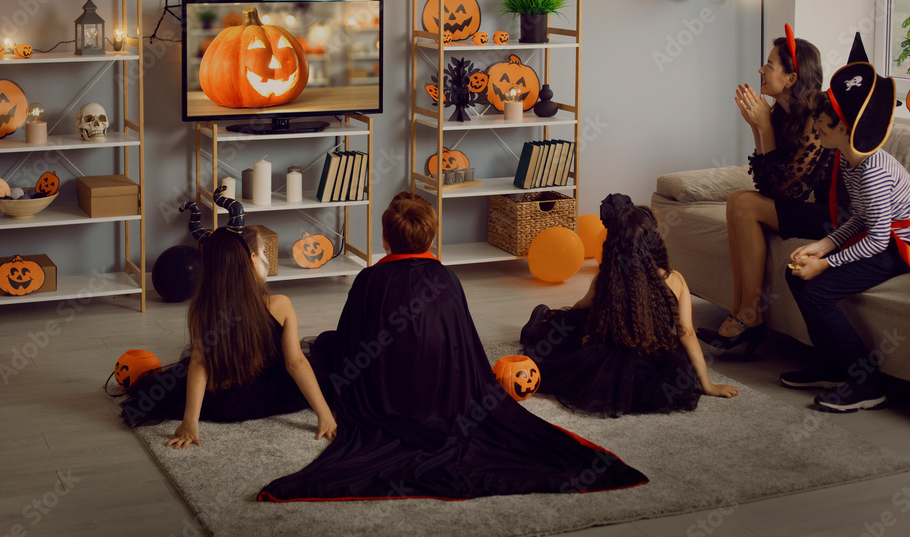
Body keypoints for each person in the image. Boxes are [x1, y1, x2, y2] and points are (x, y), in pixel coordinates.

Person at [259, 192, 647, 501]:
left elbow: (352, 342)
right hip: (440, 382)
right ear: (430, 236)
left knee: (327, 351)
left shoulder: (368, 280)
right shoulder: (447, 279)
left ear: (385, 238)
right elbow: (463, 346)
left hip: (383, 386)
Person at [120, 193, 337, 447]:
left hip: (222, 403)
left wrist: (191, 421)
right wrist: (324, 415)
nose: (267, 258)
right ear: (252, 261)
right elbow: (296, 364)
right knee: (331, 349)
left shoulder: (204, 309)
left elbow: (198, 365)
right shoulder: (280, 305)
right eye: (264, 252)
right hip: (266, 396)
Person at [784, 61, 910, 412]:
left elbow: (879, 240)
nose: (816, 125)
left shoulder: (873, 171)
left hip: (908, 247)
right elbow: (862, 221)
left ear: (844, 128)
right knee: (794, 277)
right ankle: (833, 367)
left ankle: (867, 383)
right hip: (884, 237)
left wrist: (826, 264)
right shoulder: (849, 160)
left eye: (822, 121)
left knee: (817, 291)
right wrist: (821, 246)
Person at [522, 205, 738, 418]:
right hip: (654, 353)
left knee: (576, 322)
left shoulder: (605, 278)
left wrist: (565, 316)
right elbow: (686, 333)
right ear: (653, 242)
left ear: (613, 245)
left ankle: (542, 320)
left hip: (608, 350)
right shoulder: (675, 280)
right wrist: (707, 385)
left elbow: (581, 306)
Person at [698, 24, 833, 356]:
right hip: (806, 207)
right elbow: (769, 184)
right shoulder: (784, 113)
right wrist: (760, 128)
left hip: (834, 217)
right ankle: (739, 313)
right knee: (736, 199)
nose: (761, 69)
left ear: (790, 78)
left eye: (769, 64)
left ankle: (749, 318)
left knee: (745, 205)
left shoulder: (817, 115)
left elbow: (788, 191)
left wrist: (763, 128)